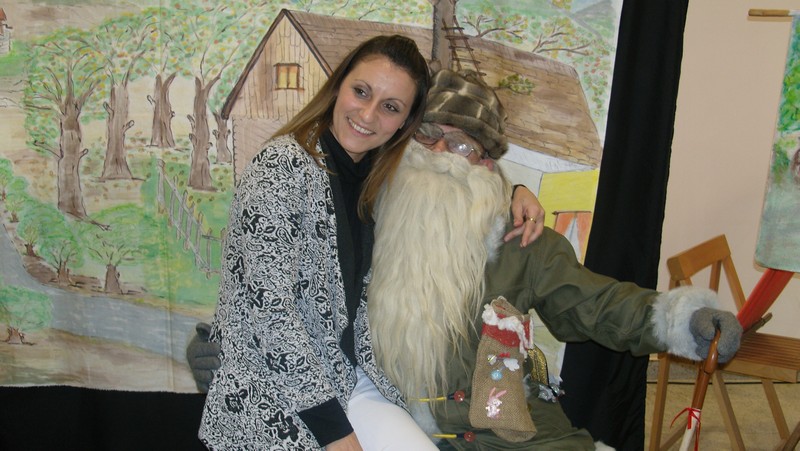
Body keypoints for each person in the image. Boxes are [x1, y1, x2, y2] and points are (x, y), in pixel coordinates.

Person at [197, 35, 542, 451]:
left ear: (406, 123)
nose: (367, 114)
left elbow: (459, 187)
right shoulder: (281, 167)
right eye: (361, 91)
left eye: (390, 107)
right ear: (338, 85)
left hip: (345, 376)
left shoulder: (377, 176)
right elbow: (269, 311)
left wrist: (515, 191)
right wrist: (335, 434)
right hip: (270, 386)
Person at [365, 69, 742, 449]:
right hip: (398, 431)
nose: (438, 152)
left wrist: (684, 321)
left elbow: (595, 303)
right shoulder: (362, 221)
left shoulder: (520, 242)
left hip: (506, 432)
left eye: (461, 145)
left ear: (486, 165)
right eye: (426, 133)